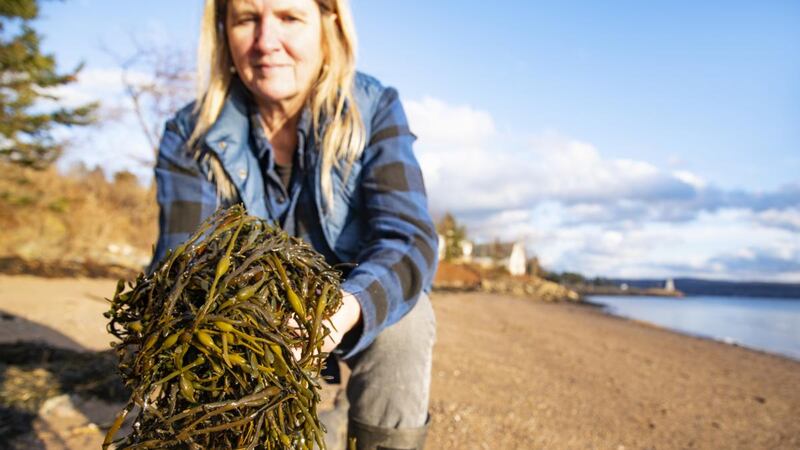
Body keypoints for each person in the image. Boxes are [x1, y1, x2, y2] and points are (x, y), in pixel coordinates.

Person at [149, 0, 438, 448]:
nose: (267, 42)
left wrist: (341, 311)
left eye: (289, 17)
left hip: (349, 301)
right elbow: (182, 266)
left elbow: (408, 239)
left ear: (329, 25)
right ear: (223, 31)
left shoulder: (373, 109)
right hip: (247, 317)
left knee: (407, 322)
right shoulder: (191, 134)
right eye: (247, 19)